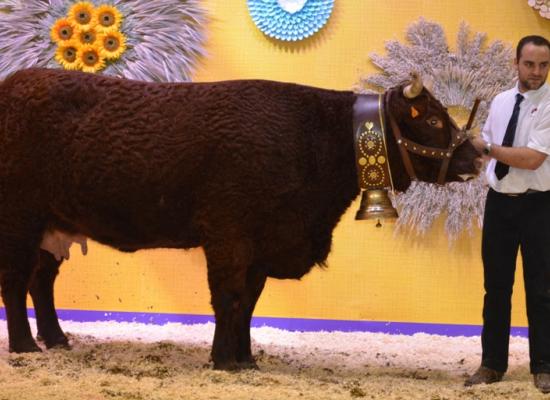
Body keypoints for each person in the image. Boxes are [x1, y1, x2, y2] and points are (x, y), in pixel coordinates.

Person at [467, 35, 550, 394]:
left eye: (544, 65)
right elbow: (485, 148)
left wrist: (486, 148)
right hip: (499, 204)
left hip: (539, 205)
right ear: (515, 64)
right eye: (530, 64)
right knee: (496, 288)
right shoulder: (500, 101)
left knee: (542, 289)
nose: (537, 71)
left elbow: (532, 159)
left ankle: (544, 367)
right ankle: (491, 364)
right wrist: (467, 150)